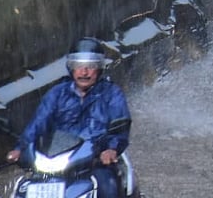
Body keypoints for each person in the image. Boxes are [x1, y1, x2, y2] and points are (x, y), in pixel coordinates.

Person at [7, 39, 131, 198]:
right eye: (78, 65)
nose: (84, 72)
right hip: (58, 159)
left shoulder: (112, 94)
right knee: (27, 187)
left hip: (95, 161)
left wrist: (111, 149)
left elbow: (121, 125)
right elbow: (38, 123)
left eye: (90, 66)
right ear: (70, 67)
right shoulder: (57, 93)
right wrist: (21, 148)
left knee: (109, 187)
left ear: (99, 68)